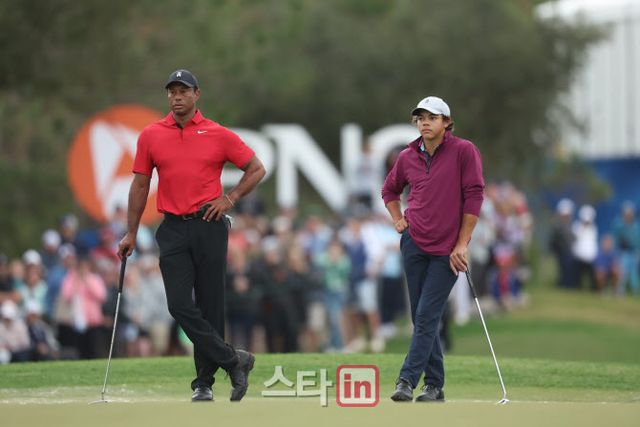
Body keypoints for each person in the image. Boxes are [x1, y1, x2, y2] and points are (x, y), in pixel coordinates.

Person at [118, 69, 266, 402]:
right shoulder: (151, 135)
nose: (177, 97)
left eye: (183, 91)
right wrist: (131, 232)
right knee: (179, 305)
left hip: (209, 224)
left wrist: (230, 198)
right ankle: (234, 360)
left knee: (211, 304)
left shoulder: (218, 133)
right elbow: (140, 185)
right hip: (171, 227)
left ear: (196, 94)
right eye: (172, 92)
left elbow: (256, 168)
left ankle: (203, 383)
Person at [381, 96, 484, 402]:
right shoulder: (407, 156)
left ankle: (406, 380)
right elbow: (389, 190)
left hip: (447, 250)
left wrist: (462, 244)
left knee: (426, 315)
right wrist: (398, 218)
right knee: (421, 317)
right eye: (420, 118)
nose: (425, 123)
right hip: (413, 243)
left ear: (446, 122)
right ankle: (435, 385)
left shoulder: (464, 151)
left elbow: (474, 196)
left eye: (432, 117)